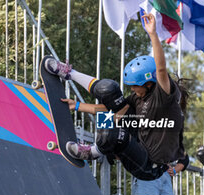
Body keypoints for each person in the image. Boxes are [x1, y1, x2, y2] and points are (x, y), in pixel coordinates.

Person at [44, 12, 188, 182]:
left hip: (149, 167)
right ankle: (69, 73)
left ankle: (91, 152)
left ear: (149, 83)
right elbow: (110, 108)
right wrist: (76, 106)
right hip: (135, 145)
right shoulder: (138, 98)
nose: (133, 90)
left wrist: (153, 34)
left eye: (136, 86)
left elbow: (161, 69)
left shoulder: (165, 97)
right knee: (109, 89)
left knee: (112, 132)